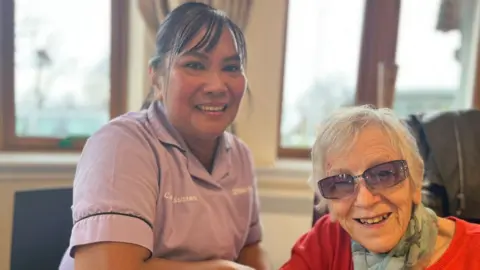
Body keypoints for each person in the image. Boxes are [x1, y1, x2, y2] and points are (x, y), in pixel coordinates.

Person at [59, 2, 271, 270]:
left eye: (231, 68)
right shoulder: (121, 145)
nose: (217, 86)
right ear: (157, 78)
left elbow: (250, 248)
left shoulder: (240, 154)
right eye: (195, 64)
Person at [281, 106, 480, 270]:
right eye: (340, 183)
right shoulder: (328, 239)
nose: (365, 200)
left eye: (384, 174)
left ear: (416, 183)